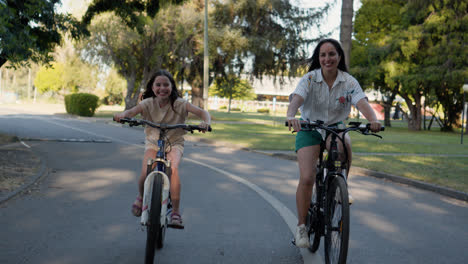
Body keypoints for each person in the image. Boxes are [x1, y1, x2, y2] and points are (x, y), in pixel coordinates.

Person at [286, 39, 382, 248]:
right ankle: (302, 227)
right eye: (323, 55)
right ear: (318, 59)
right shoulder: (310, 79)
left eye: (331, 54)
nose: (327, 59)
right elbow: (297, 98)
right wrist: (291, 115)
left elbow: (361, 101)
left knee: (344, 143)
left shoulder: (348, 81)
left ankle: (341, 186)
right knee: (307, 177)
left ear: (339, 56)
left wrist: (373, 120)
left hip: (335, 126)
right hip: (309, 127)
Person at [114, 69, 211, 229]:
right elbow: (131, 112)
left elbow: (203, 112)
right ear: (152, 88)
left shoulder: (180, 103)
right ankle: (140, 196)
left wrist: (205, 123)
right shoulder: (147, 103)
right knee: (145, 172)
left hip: (174, 142)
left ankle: (176, 212)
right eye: (158, 85)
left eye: (166, 85)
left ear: (172, 87)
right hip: (153, 142)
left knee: (172, 168)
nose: (162, 88)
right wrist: (122, 115)